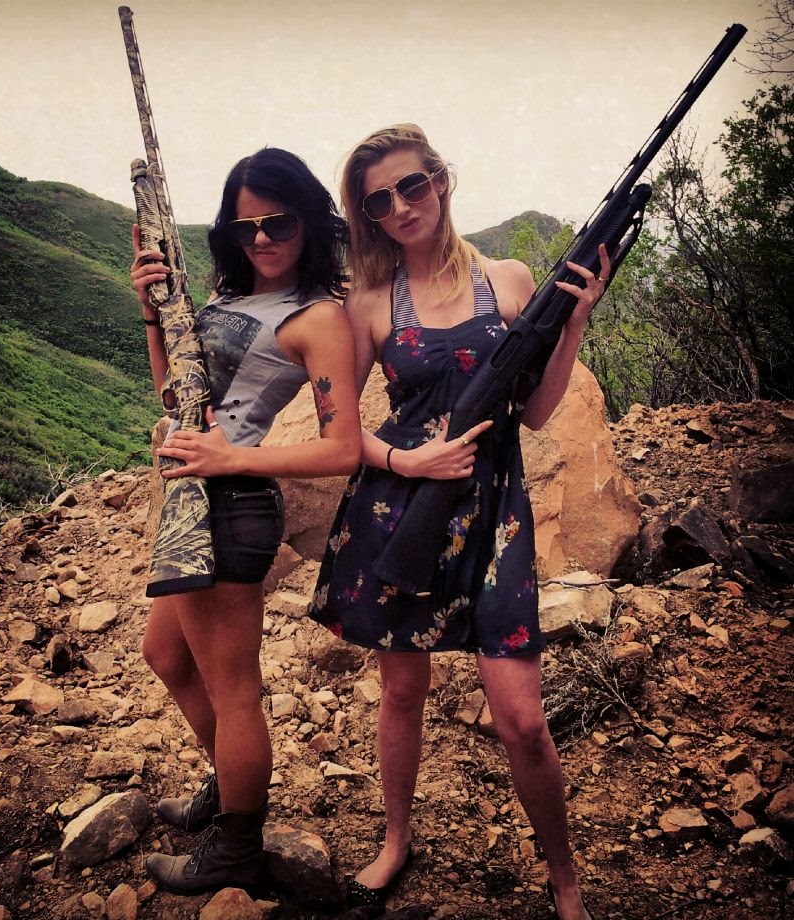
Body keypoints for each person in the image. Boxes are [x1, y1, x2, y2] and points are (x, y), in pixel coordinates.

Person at [309, 124, 607, 920]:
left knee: (523, 719)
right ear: (368, 216)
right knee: (402, 688)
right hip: (400, 506)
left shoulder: (508, 281)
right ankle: (395, 841)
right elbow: (340, 433)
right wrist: (409, 462)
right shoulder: (369, 304)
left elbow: (534, 414)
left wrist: (575, 323)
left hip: (494, 512)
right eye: (379, 201)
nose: (401, 207)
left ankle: (565, 879)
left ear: (440, 181)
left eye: (412, 186)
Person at [131, 147, 361, 895]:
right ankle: (230, 787)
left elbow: (343, 448)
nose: (261, 238)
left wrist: (235, 458)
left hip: (234, 505)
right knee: (165, 655)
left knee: (234, 690)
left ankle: (237, 849)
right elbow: (178, 397)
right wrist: (154, 312)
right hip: (192, 499)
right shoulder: (231, 297)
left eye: (279, 223)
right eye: (246, 225)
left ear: (309, 222)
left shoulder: (318, 317)